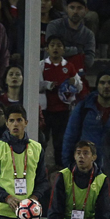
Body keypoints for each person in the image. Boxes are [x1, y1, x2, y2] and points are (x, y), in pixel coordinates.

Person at [0, 104, 50, 219]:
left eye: (19, 120)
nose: (15, 124)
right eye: (11, 120)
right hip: (2, 214)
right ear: (7, 124)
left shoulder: (37, 148)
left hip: (29, 213)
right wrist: (7, 198)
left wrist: (33, 199)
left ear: (26, 122)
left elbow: (43, 181)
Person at [62, 70, 110, 169]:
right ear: (97, 86)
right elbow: (70, 138)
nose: (106, 86)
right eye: (102, 82)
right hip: (86, 167)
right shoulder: (83, 108)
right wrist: (68, 166)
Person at [39, 35, 82, 171]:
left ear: (64, 49)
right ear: (47, 49)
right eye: (52, 45)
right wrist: (47, 85)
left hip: (62, 110)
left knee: (60, 141)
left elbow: (79, 86)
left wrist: (74, 82)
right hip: (44, 110)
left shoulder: (69, 67)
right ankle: (40, 167)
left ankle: (60, 167)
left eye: (59, 45)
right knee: (42, 140)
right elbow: (34, 84)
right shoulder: (41, 65)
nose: (55, 48)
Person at [48, 141, 110, 219]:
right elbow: (55, 210)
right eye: (78, 153)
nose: (81, 156)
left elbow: (103, 214)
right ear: (74, 156)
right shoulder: (63, 176)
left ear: (93, 157)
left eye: (85, 153)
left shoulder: (102, 179)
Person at [45, 0, 96, 71]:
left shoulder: (88, 35)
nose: (75, 11)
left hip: (77, 75)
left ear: (85, 10)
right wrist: (78, 51)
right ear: (66, 9)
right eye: (72, 7)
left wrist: (64, 53)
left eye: (79, 8)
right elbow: (50, 52)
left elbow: (89, 61)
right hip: (52, 71)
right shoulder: (54, 26)